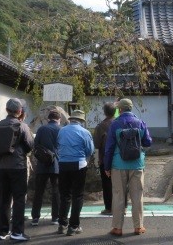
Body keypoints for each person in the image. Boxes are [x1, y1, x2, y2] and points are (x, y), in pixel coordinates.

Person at [104, 98, 152, 236]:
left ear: (120, 109)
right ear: (131, 108)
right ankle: (138, 227)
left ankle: (117, 228)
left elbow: (109, 148)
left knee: (118, 195)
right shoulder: (140, 122)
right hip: (137, 164)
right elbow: (148, 142)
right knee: (137, 196)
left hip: (118, 165)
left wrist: (107, 167)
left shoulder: (115, 124)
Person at [0, 98, 34, 241]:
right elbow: (30, 145)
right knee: (18, 199)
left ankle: (2, 231)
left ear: (6, 110)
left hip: (0, 166)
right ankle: (17, 232)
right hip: (18, 166)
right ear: (19, 111)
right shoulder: (21, 126)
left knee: (3, 199)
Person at [56, 109, 94, 236]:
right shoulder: (85, 132)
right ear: (81, 121)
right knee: (77, 195)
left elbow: (58, 146)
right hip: (79, 164)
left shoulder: (61, 130)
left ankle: (62, 224)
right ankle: (74, 226)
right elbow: (90, 150)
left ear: (71, 119)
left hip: (63, 164)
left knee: (64, 195)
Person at [30, 109, 62, 226]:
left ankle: (35, 218)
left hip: (42, 163)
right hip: (57, 163)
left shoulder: (42, 129)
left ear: (48, 119)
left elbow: (36, 145)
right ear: (59, 119)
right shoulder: (61, 129)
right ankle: (55, 217)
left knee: (39, 191)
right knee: (56, 191)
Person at [93, 102, 116, 215]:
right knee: (121, 184)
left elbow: (96, 144)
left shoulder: (101, 126)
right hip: (120, 159)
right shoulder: (119, 123)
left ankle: (109, 208)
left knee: (107, 184)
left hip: (105, 158)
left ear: (104, 112)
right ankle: (124, 207)